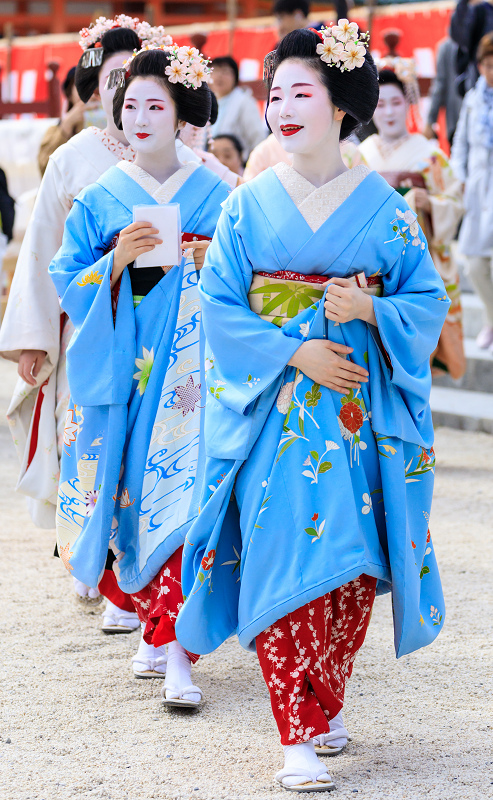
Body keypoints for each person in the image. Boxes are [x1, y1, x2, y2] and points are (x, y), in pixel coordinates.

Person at [176, 24, 449, 792]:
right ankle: (292, 733)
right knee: (286, 556)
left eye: (302, 92)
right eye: (273, 95)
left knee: (353, 568)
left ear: (341, 108)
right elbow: (220, 301)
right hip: (277, 412)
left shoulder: (385, 209)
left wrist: (368, 313)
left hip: (359, 419)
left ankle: (323, 702)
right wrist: (294, 350)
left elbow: (425, 300)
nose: (282, 108)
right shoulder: (247, 205)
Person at [49, 44, 231, 703]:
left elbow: (248, 273)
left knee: (184, 499)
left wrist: (210, 256)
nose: (141, 116)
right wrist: (116, 262)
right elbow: (68, 279)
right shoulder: (101, 196)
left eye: (157, 104)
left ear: (183, 113)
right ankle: (155, 628)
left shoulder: (217, 188)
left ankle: (172, 645)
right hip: (127, 372)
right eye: (130, 104)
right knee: (132, 497)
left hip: (197, 371)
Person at [0, 16, 169, 627]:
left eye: (138, 77)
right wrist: (34, 338)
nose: (127, 93)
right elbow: (43, 249)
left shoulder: (177, 152)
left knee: (150, 441)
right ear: (97, 87)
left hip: (161, 322)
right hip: (90, 318)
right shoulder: (74, 157)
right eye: (114, 77)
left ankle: (140, 568)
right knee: (88, 439)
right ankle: (93, 560)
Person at [359, 69, 465, 379]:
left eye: (396, 102)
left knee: (419, 348)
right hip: (371, 266)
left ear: (408, 104)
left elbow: (456, 202)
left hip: (420, 262)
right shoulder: (359, 156)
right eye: (381, 104)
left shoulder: (430, 155)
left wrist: (429, 203)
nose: (389, 112)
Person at [451, 32, 493, 350]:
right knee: (474, 264)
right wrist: (460, 178)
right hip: (479, 189)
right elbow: (460, 144)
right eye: (488, 65)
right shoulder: (472, 99)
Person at [37, 66, 104, 176]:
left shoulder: (118, 126)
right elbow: (45, 169)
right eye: (83, 87)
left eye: (96, 87)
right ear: (70, 94)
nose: (91, 95)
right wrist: (66, 125)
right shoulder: (55, 130)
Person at [209, 56, 267, 160]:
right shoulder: (209, 102)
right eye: (215, 71)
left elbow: (256, 137)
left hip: (238, 164)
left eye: (225, 72)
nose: (219, 76)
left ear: (235, 77)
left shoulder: (245, 101)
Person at [244, 131, 363, 180]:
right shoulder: (263, 152)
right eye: (276, 98)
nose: (286, 110)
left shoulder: (349, 152)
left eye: (301, 96)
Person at [424, 36, 463, 147]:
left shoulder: (446, 46)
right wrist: (430, 119)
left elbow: (440, 86)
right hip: (472, 120)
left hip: (456, 121)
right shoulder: (447, 47)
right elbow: (439, 87)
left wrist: (430, 121)